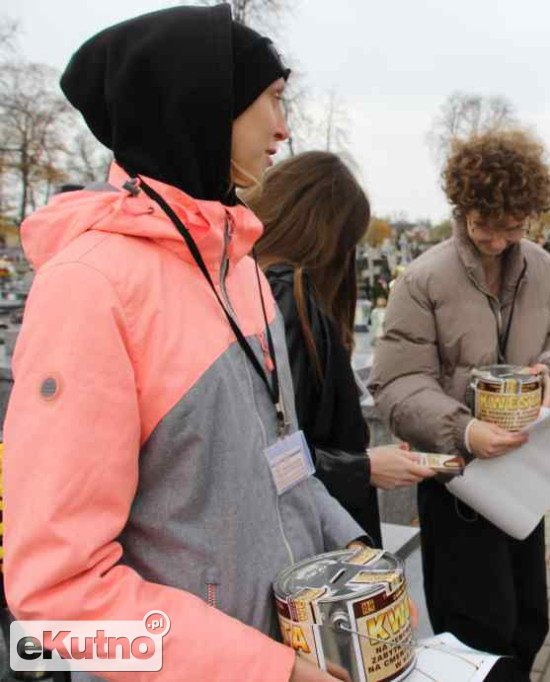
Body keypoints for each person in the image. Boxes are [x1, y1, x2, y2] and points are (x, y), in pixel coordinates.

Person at [2, 8, 366, 682]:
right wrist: (269, 673)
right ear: (205, 107)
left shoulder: (242, 270)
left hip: (299, 646)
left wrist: (355, 550)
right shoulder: (91, 287)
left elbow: (284, 459)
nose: (285, 128)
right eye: (274, 100)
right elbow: (56, 598)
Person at [369, 129, 550, 680]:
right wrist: (466, 431)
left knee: (527, 621)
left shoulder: (545, 271)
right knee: (472, 631)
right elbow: (396, 384)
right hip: (458, 482)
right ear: (464, 208)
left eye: (513, 226)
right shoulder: (422, 281)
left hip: (524, 476)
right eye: (486, 225)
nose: (497, 240)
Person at [246, 151, 436, 550]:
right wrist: (363, 467)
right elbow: (271, 452)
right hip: (317, 534)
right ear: (328, 236)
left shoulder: (253, 285)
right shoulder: (288, 297)